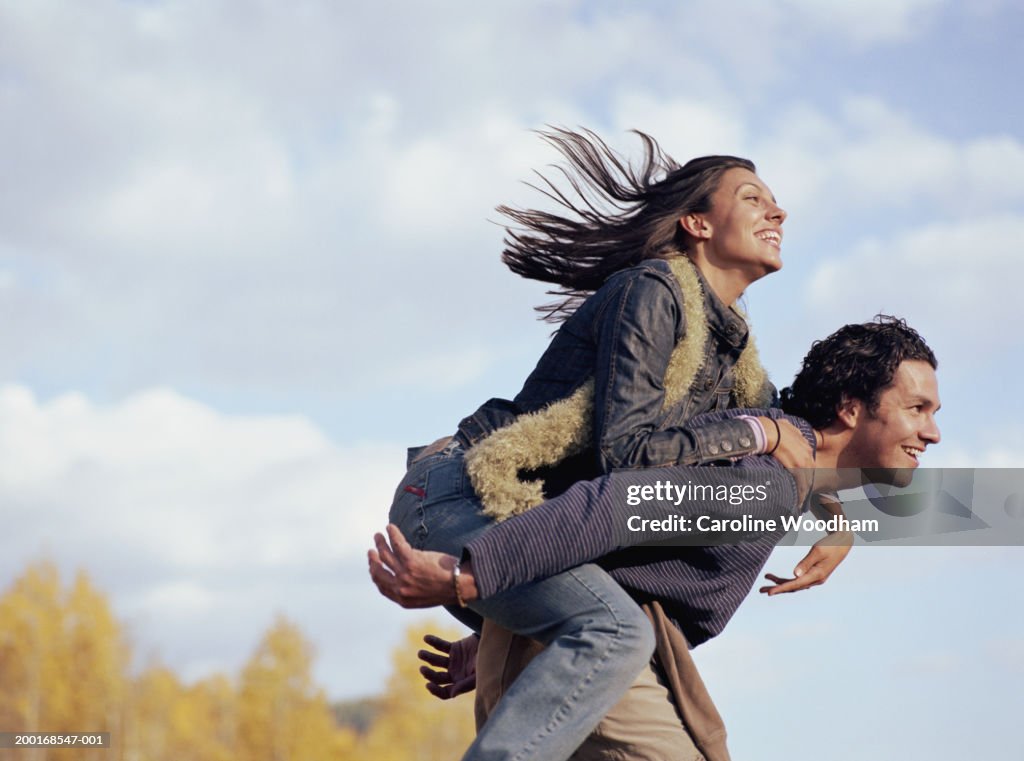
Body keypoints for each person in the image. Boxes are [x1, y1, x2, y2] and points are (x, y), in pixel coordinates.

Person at [382, 127, 810, 761]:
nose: (777, 211)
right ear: (696, 222)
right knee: (613, 630)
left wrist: (839, 519)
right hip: (453, 494)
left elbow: (805, 446)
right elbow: (627, 458)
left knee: (610, 632)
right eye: (752, 198)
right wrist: (760, 430)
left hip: (528, 531)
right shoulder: (654, 290)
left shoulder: (736, 356)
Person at [370, 316, 942, 761]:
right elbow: (617, 508)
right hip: (592, 646)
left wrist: (516, 616)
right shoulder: (765, 486)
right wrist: (468, 578)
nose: (933, 432)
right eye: (917, 409)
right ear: (850, 407)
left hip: (573, 640)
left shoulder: (776, 458)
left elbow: (631, 550)